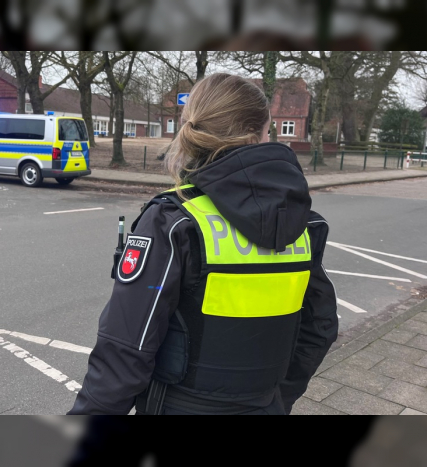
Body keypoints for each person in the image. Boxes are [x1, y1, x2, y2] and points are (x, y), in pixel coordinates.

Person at [67, 73, 338, 416]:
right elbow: (320, 327)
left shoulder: (174, 222)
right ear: (263, 130)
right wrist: (276, 398)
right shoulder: (304, 224)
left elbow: (126, 348)